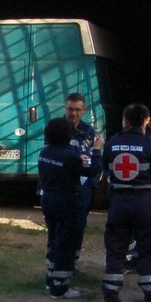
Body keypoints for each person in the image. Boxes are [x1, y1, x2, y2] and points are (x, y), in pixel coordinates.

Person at [100, 103, 151, 302]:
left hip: (119, 203)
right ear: (146, 121)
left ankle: (111, 294)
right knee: (148, 246)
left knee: (116, 246)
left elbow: (106, 169)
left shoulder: (111, 144)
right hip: (144, 203)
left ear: (125, 120)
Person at [37, 117, 87, 299]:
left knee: (54, 238)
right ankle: (60, 287)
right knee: (66, 242)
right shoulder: (70, 155)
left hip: (48, 199)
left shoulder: (44, 152)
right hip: (67, 201)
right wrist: (96, 151)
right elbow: (91, 169)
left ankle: (50, 278)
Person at [64, 92, 104, 260]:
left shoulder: (88, 130)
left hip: (84, 184)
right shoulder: (58, 127)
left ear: (84, 111)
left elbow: (94, 157)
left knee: (79, 223)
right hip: (65, 183)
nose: (73, 113)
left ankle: (73, 260)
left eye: (78, 110)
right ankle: (59, 261)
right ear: (65, 108)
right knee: (63, 225)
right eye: (70, 109)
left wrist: (95, 151)